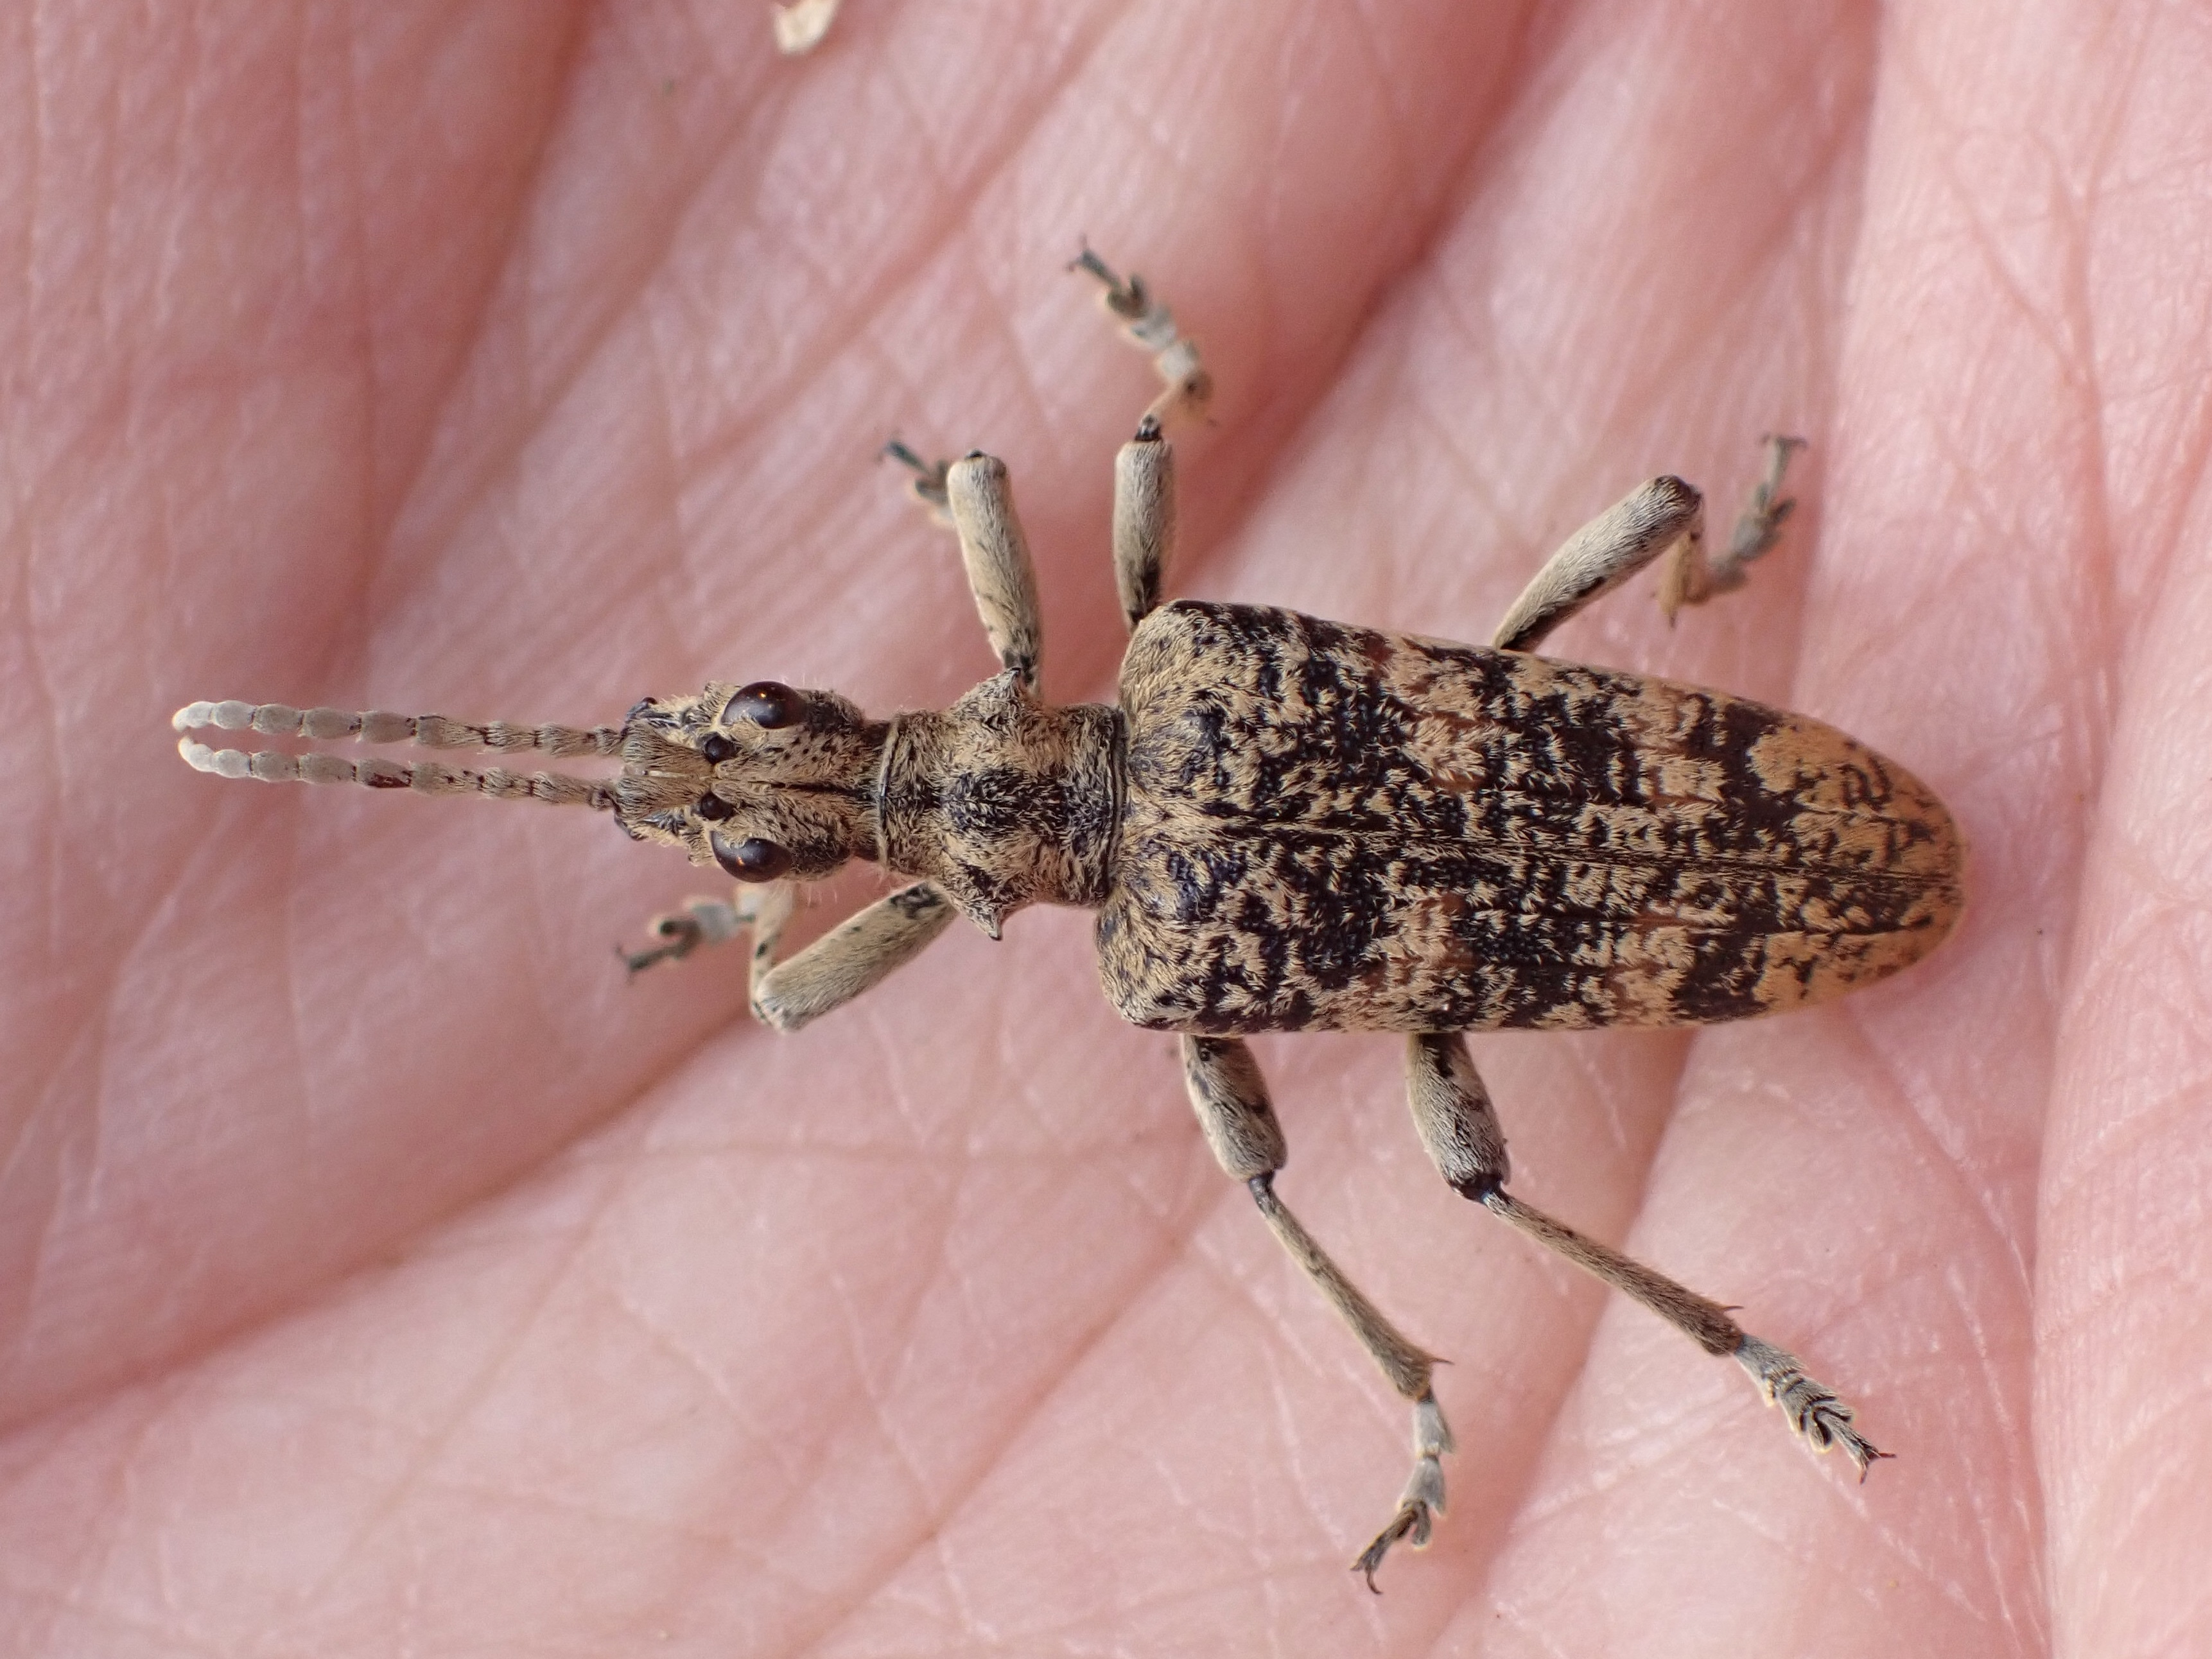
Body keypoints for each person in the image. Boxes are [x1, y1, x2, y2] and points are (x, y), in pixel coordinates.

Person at [3, 3, 2197, 1651]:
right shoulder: (1172, 660)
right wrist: (1161, 366)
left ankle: (1623, 1365)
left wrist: (740, 939)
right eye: (743, 806)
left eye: (735, 761)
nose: (733, 757)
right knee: (1642, 546)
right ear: (826, 738)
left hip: (1733, 866)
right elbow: (1031, 471)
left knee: (1411, 1175)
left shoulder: (1163, 966)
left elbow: (790, 999)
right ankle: (1648, 1302)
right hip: (1717, 826)